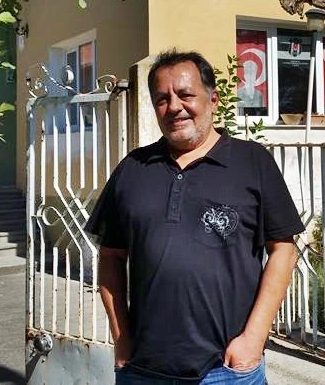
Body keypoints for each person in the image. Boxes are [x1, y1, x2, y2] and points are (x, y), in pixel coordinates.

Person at [85, 50, 304, 384]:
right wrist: (122, 338)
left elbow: (283, 251)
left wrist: (253, 339)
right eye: (162, 99)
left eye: (185, 95)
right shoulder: (133, 169)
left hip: (227, 370)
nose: (174, 107)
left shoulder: (252, 162)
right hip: (143, 369)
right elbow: (111, 257)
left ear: (213, 100)